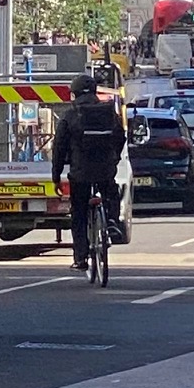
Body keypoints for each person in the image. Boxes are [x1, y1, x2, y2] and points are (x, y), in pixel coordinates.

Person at [51, 78, 127, 271]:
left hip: (80, 172)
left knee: (79, 213)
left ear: (74, 94)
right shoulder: (109, 112)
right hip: (105, 169)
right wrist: (114, 158)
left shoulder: (70, 116)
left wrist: (56, 176)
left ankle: (81, 258)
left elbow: (59, 148)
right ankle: (111, 220)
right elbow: (120, 137)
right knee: (111, 192)